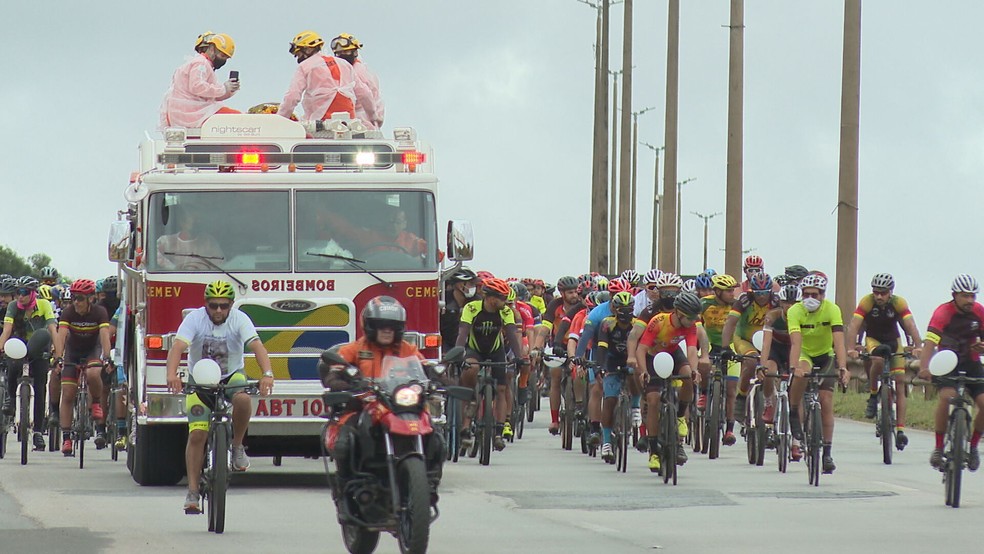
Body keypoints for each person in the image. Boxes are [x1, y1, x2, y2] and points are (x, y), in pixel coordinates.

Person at [165, 281, 274, 514]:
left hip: (231, 377)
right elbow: (178, 347)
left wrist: (267, 374)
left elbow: (256, 346)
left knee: (243, 399)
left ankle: (236, 446)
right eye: (213, 305)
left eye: (223, 306)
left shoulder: (240, 319)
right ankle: (193, 492)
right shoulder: (195, 318)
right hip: (200, 381)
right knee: (197, 435)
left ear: (231, 305)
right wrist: (172, 374)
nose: (218, 311)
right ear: (205, 304)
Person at [845, 273, 922, 449]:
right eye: (876, 292)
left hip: (893, 341)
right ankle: (873, 395)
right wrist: (851, 348)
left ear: (890, 292)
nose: (879, 296)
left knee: (900, 383)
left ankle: (901, 430)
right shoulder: (866, 302)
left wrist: (918, 345)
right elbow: (854, 326)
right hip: (874, 340)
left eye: (883, 293)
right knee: (878, 360)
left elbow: (910, 325)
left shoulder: (898, 303)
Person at [918, 274, 984, 471]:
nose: (970, 301)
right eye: (965, 296)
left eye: (973, 296)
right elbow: (930, 342)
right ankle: (939, 447)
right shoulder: (943, 312)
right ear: (954, 295)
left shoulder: (979, 312)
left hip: (971, 363)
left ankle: (973, 446)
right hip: (947, 363)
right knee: (947, 397)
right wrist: (924, 367)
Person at [456, 278, 529, 451]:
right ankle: (466, 425)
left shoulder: (506, 312)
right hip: (475, 350)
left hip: (496, 350)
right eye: (502, 298)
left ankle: (498, 431)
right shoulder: (471, 308)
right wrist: (458, 353)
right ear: (491, 298)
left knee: (502, 389)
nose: (505, 302)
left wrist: (519, 357)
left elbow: (511, 335)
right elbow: (463, 333)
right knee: (471, 370)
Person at [786, 273, 849, 474]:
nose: (810, 298)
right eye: (805, 294)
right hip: (805, 353)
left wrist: (843, 367)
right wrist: (793, 366)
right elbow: (796, 342)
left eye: (814, 294)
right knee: (801, 374)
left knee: (826, 399)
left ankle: (827, 453)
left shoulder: (832, 309)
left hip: (825, 354)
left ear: (823, 295)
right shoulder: (795, 311)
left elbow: (838, 341)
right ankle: (795, 411)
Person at [635, 292, 704, 472]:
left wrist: (695, 370)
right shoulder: (658, 322)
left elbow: (690, 351)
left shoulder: (690, 325)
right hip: (652, 356)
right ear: (679, 313)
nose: (692, 321)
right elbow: (641, 349)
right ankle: (654, 452)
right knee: (653, 400)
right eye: (690, 318)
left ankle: (680, 416)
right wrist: (643, 372)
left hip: (673, 354)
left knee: (688, 376)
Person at [53, 279, 112, 454]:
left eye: (79, 298)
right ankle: (66, 438)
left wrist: (107, 357)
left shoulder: (99, 312)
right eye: (73, 298)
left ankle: (95, 403)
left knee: (94, 374)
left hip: (92, 350)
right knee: (68, 393)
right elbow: (62, 336)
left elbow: (104, 336)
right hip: (73, 351)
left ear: (90, 299)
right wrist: (58, 358)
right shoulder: (68, 312)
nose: (76, 302)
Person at [0, 276, 57, 450]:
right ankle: (10, 398)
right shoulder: (12, 307)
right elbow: (7, 330)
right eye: (17, 292)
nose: (20, 296)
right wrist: (1, 346)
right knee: (13, 367)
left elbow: (53, 330)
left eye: (24, 292)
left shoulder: (44, 305)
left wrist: (58, 353)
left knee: (40, 388)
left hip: (39, 349)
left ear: (33, 294)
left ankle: (38, 432)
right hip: (18, 346)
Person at [159, 32, 240, 129]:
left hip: (188, 113)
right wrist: (223, 89)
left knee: (236, 118)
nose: (223, 61)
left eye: (226, 58)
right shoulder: (201, 64)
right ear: (211, 48)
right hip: (192, 113)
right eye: (222, 56)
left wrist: (229, 90)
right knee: (239, 120)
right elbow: (197, 87)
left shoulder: (203, 65)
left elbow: (212, 95)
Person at [277, 31, 357, 121]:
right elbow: (359, 91)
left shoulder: (304, 66)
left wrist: (280, 119)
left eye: (299, 54)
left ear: (308, 49)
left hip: (320, 120)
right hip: (350, 119)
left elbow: (292, 96)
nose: (298, 58)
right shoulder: (344, 63)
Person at [331, 33, 384, 129]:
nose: (341, 56)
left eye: (345, 52)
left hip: (362, 122)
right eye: (339, 53)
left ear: (355, 52)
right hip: (362, 120)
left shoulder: (358, 71)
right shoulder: (357, 69)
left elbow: (364, 95)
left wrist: (373, 117)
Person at [155, 204, 223, 270]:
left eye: (199, 220)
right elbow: (150, 256)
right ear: (182, 222)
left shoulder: (208, 242)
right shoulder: (166, 241)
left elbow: (220, 264)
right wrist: (172, 267)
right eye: (195, 219)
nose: (198, 222)